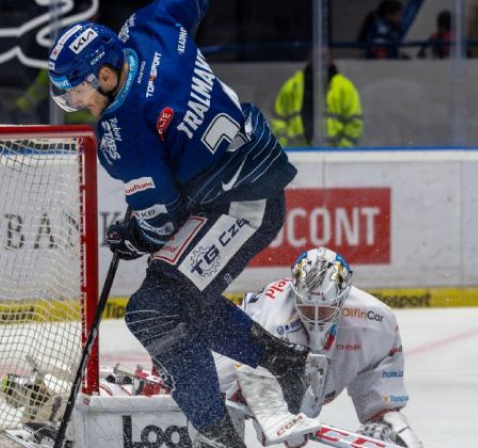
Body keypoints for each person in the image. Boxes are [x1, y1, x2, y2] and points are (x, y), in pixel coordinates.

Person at [47, 1, 307, 446]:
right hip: (241, 181)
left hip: (245, 203)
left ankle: (217, 435)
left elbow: (160, 223)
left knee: (154, 311)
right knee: (172, 299)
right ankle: (282, 362)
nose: (73, 103)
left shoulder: (121, 138)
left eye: (76, 91)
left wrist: (134, 235)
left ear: (106, 77)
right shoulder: (152, 26)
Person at [215, 247, 423, 447]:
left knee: (389, 424)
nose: (314, 319)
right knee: (215, 416)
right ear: (293, 294)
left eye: (323, 310)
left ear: (343, 298)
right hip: (235, 363)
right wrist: (270, 409)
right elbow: (259, 404)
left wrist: (385, 420)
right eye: (306, 307)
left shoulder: (376, 321)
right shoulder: (275, 319)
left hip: (287, 376)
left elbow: (382, 397)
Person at [271, 50, 363, 148]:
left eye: (324, 56)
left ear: (331, 59)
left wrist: (341, 151)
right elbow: (278, 121)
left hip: (334, 155)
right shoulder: (292, 86)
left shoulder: (344, 87)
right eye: (316, 56)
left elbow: (354, 123)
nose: (320, 60)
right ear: (309, 58)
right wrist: (285, 150)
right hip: (296, 155)